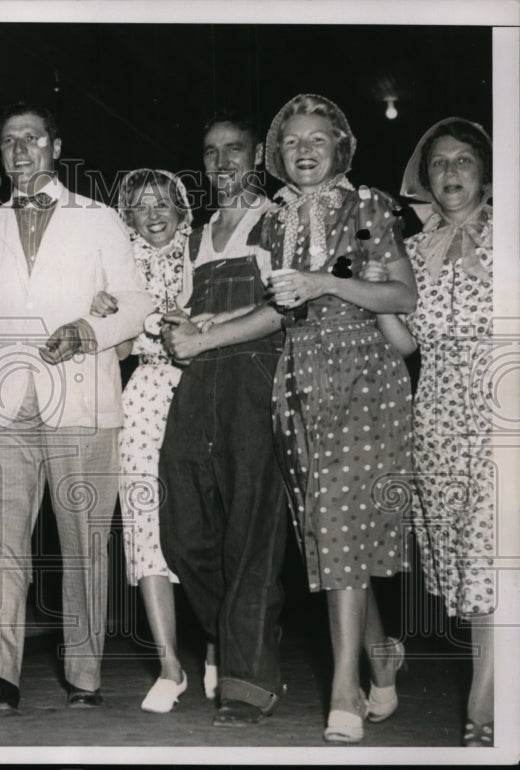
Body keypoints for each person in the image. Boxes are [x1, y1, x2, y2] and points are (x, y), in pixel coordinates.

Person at [0, 102, 153, 713]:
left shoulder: (100, 219)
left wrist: (87, 329)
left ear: (55, 148)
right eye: (9, 140)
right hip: (2, 402)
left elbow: (137, 302)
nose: (19, 150)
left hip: (81, 396)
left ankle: (84, 676)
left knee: (83, 542)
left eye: (31, 139)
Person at [261, 94, 416, 744]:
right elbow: (280, 310)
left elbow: (403, 295)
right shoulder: (274, 224)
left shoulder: (370, 206)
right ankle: (381, 656)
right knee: (331, 537)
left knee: (343, 529)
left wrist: (327, 283)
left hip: (366, 379)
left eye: (316, 139)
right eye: (292, 141)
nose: (303, 150)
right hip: (301, 379)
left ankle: (345, 690)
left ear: (340, 147)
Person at [153, 113, 292, 728]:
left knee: (253, 530)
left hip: (257, 378)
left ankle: (248, 681)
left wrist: (205, 337)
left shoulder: (280, 220)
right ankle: (251, 634)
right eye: (210, 153)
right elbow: (182, 314)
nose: (221, 162)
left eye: (234, 149)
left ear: (257, 154)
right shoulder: (198, 232)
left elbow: (286, 312)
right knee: (182, 529)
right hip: (200, 385)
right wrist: (172, 326)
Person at [368, 118, 495, 747]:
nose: (451, 172)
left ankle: (485, 716)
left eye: (465, 159)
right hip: (439, 417)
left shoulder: (510, 233)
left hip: (502, 408)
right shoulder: (414, 252)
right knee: (467, 572)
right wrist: (372, 294)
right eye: (439, 161)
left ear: (486, 171)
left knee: (494, 560)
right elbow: (409, 342)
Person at [90, 167, 217, 713]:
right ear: (128, 217)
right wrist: (101, 315)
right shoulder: (121, 269)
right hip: (144, 395)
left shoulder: (206, 251)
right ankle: (170, 665)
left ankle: (220, 650)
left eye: (164, 200)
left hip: (209, 390)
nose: (155, 212)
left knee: (211, 523)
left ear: (182, 206)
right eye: (141, 205)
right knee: (146, 525)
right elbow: (117, 354)